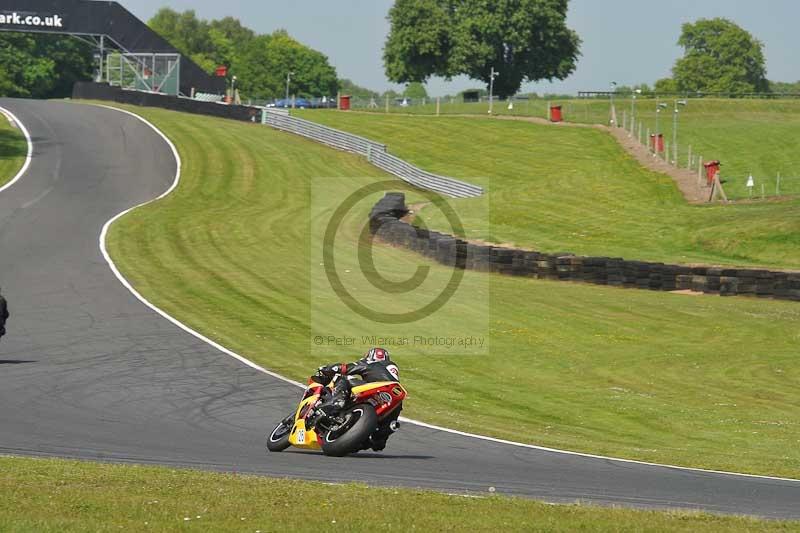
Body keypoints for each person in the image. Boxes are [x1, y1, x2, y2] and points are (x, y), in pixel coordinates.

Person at [310, 347, 401, 451]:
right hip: (395, 398)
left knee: (343, 377)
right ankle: (378, 436)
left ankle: (338, 401)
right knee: (382, 436)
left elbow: (345, 368)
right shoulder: (390, 370)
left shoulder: (371, 363)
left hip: (377, 388)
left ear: (370, 356)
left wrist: (326, 369)